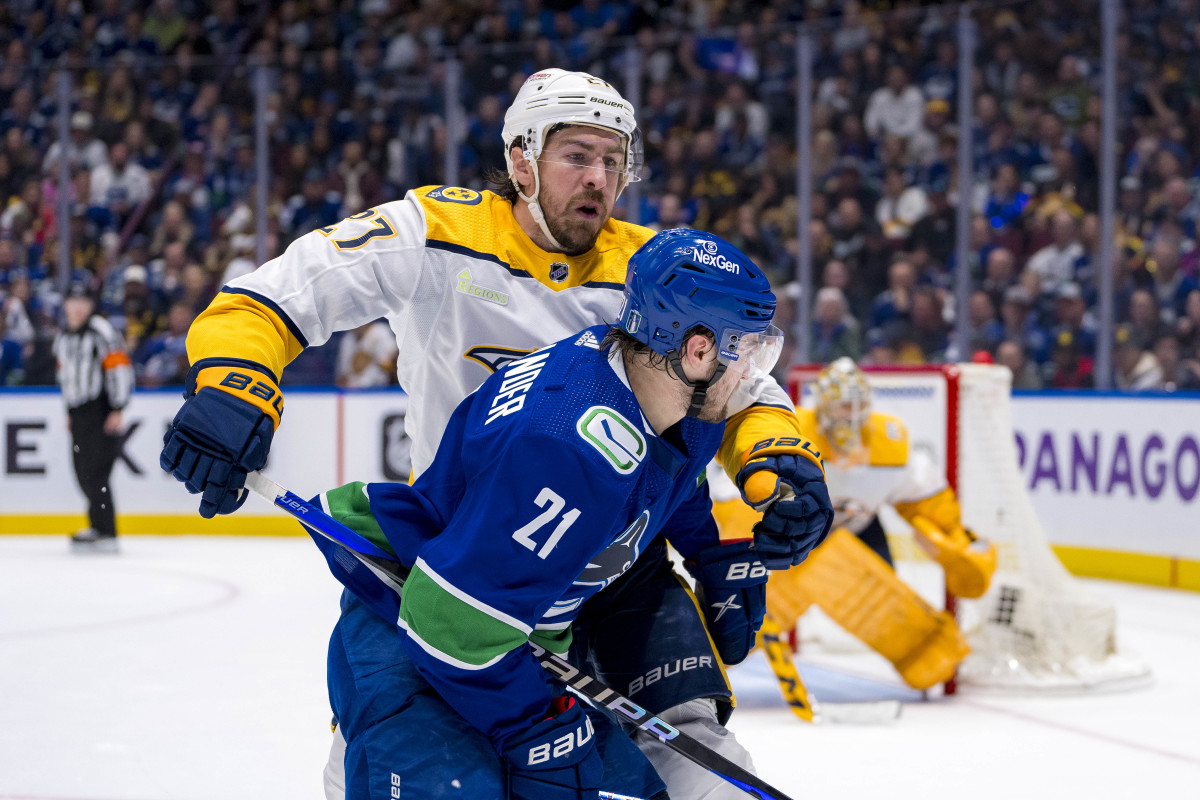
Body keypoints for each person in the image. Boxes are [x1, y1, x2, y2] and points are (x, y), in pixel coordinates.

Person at [158, 69, 833, 799]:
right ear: (521, 160)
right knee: (407, 760)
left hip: (615, 565)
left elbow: (735, 390)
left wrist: (778, 466)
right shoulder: (435, 233)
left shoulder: (648, 265)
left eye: (614, 160)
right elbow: (274, 296)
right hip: (472, 558)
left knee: (700, 757)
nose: (599, 178)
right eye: (577, 155)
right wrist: (234, 382)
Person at [300, 228, 789, 799]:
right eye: (748, 349)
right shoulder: (566, 449)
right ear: (699, 348)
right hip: (413, 634)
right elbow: (448, 629)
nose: (752, 372)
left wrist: (709, 554)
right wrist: (535, 728)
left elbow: (672, 477)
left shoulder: (668, 395)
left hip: (506, 646)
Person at [713, 358, 997, 691]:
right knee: (743, 616)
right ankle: (709, 656)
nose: (850, 415)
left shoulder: (887, 447)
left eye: (858, 406)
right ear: (823, 407)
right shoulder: (788, 431)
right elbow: (728, 498)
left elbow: (927, 501)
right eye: (842, 406)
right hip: (789, 538)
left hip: (856, 531)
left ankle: (928, 653)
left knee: (882, 597)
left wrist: (955, 542)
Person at [55, 283, 133, 553]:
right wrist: (69, 411)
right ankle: (97, 526)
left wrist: (117, 408)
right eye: (72, 301)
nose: (77, 307)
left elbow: (119, 369)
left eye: (83, 301)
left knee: (97, 472)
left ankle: (105, 530)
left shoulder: (101, 332)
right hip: (78, 412)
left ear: (90, 305)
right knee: (82, 471)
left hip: (99, 410)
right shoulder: (63, 336)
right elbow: (65, 376)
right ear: (65, 305)